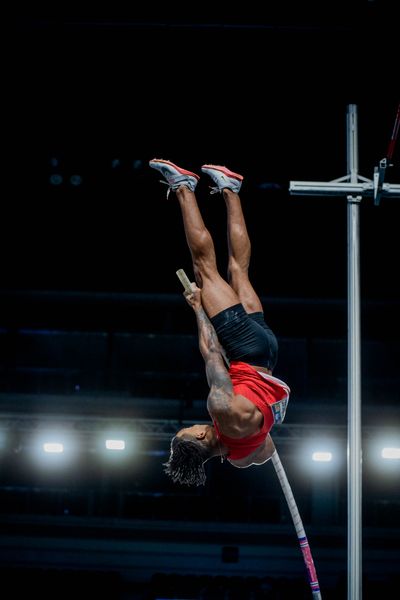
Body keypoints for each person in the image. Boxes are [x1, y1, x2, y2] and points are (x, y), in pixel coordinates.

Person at [149, 159, 290, 486]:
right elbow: (212, 352)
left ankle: (230, 189)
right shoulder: (221, 408)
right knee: (204, 270)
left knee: (239, 270)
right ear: (200, 435)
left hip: (268, 353)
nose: (195, 423)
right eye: (190, 428)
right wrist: (198, 308)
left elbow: (268, 449)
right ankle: (183, 186)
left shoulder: (241, 458)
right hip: (243, 347)